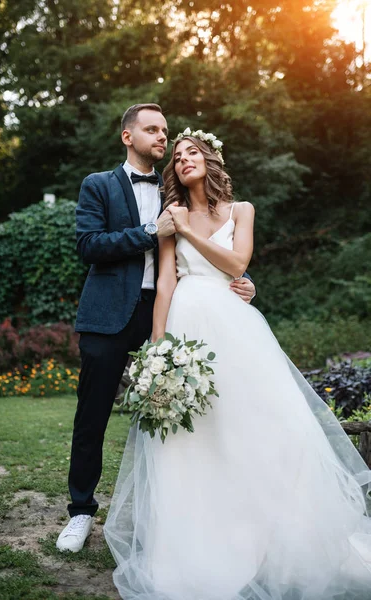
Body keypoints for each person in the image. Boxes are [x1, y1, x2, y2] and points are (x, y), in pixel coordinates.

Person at [104, 129, 371, 600]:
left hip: (236, 331)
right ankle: (193, 547)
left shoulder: (241, 210)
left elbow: (237, 263)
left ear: (209, 160)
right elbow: (165, 283)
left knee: (257, 430)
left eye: (192, 152)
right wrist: (157, 349)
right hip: (186, 326)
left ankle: (269, 543)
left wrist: (188, 232)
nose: (184, 159)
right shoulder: (172, 215)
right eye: (178, 156)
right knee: (190, 439)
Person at [56, 106, 256, 553]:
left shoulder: (175, 196)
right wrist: (150, 231)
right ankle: (81, 512)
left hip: (169, 313)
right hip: (109, 315)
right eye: (152, 129)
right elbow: (89, 246)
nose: (162, 136)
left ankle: (163, 511)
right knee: (92, 417)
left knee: (170, 415)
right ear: (128, 136)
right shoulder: (99, 185)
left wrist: (241, 284)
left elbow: (205, 255)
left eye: (165, 130)